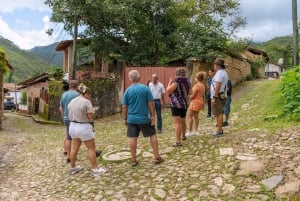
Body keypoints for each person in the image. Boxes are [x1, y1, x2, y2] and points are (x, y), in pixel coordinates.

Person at [122, 70, 164, 167]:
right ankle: (157, 156)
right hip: (144, 118)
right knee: (152, 135)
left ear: (130, 79)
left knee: (132, 138)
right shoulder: (145, 89)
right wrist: (153, 116)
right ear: (139, 77)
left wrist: (125, 118)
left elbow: (124, 106)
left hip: (131, 119)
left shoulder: (127, 90)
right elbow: (151, 103)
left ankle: (133, 160)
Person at [68, 84, 108, 176]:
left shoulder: (72, 101)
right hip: (83, 126)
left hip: (73, 126)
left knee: (74, 148)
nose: (89, 96)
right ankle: (95, 169)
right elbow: (90, 117)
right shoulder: (86, 102)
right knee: (91, 148)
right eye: (89, 94)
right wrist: (93, 111)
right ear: (86, 93)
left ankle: (73, 167)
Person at [166, 67, 191, 146]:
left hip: (176, 104)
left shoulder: (176, 82)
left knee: (177, 123)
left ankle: (178, 141)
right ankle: (183, 136)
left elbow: (168, 91)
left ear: (176, 74)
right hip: (184, 104)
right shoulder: (188, 82)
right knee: (183, 121)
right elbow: (191, 92)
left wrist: (169, 82)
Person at [59, 80, 79, 164]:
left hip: (66, 118)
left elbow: (60, 108)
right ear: (76, 86)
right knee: (76, 137)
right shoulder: (77, 95)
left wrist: (64, 116)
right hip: (75, 118)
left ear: (70, 86)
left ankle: (68, 157)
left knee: (68, 137)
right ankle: (74, 155)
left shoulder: (64, 94)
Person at [210, 58, 228, 136]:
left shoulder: (220, 73)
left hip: (217, 96)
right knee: (218, 113)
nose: (214, 65)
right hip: (221, 94)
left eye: (214, 64)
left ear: (217, 65)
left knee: (218, 113)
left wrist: (214, 96)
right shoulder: (223, 72)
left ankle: (219, 131)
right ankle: (219, 130)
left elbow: (218, 85)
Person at [186, 72, 206, 136]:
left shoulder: (197, 85)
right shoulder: (203, 85)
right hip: (200, 101)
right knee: (196, 116)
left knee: (189, 116)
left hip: (194, 102)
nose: (194, 79)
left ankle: (190, 131)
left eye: (195, 78)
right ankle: (196, 131)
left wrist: (188, 97)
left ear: (197, 78)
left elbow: (193, 95)